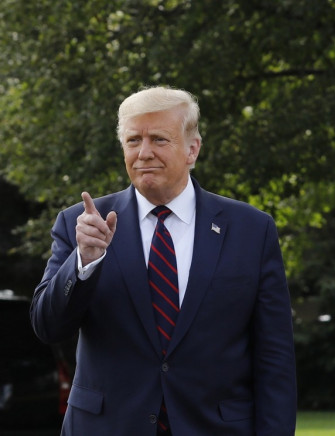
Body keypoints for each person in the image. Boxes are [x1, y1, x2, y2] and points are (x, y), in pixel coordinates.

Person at [31, 86, 297, 435]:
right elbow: (48, 327)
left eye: (158, 139)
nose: (144, 153)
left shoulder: (250, 229)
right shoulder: (81, 225)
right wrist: (84, 262)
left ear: (192, 149)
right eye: (132, 140)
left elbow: (274, 356)